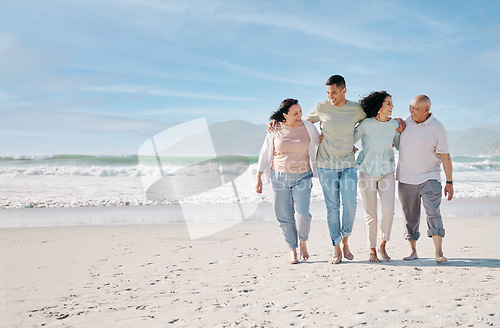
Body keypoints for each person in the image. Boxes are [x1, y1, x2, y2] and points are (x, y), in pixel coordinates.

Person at [256, 98, 320, 264]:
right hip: (279, 177)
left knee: (303, 214)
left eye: (300, 112)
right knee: (284, 216)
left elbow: (321, 141)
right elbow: (264, 153)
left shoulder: (308, 127)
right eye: (295, 113)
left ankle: (303, 242)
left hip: (303, 176)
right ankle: (292, 250)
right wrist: (259, 176)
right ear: (284, 115)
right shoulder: (274, 129)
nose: (300, 116)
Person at [396, 95, 453, 263]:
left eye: (414, 108)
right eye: (410, 106)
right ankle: (412, 251)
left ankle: (438, 252)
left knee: (433, 213)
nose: (410, 111)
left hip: (430, 177)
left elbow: (446, 157)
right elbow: (392, 142)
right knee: (410, 217)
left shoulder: (438, 128)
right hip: (406, 178)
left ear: (426, 110)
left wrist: (449, 182)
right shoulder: (406, 122)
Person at [354, 91, 400, 262]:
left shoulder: (394, 124)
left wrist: (402, 131)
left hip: (386, 172)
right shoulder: (366, 124)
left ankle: (383, 244)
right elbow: (350, 139)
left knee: (389, 210)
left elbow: (401, 146)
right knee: (370, 213)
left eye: (391, 103)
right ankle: (371, 249)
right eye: (389, 103)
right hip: (366, 172)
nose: (392, 106)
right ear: (379, 105)